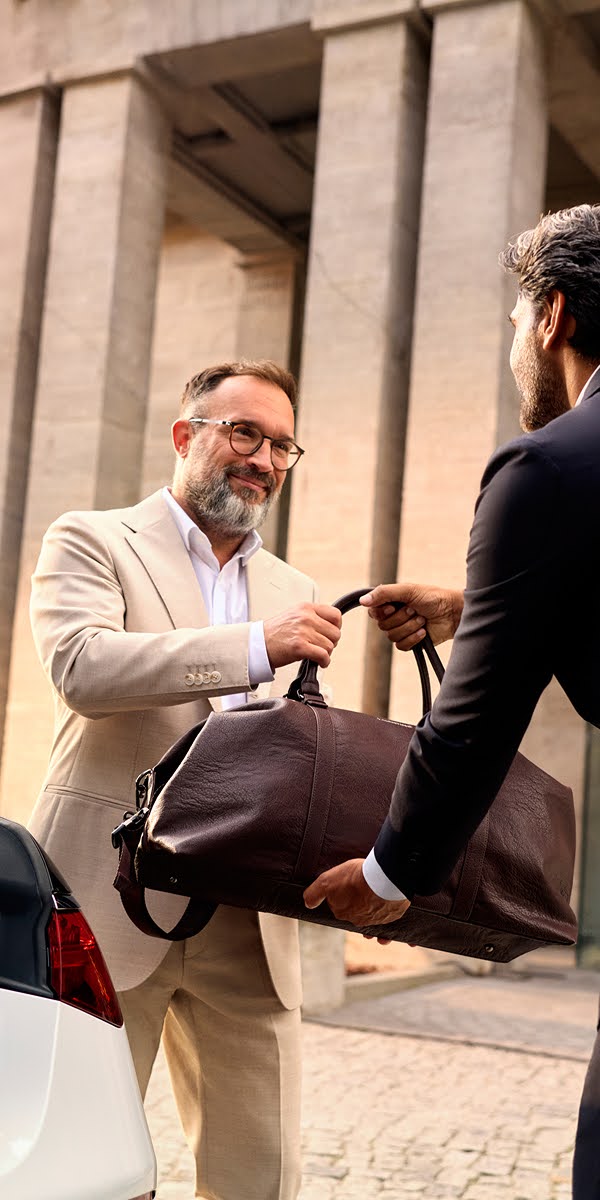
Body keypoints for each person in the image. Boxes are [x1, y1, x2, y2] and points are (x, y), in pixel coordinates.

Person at [302, 204, 600, 1198]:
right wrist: (482, 604)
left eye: (514, 323)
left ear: (552, 315)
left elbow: (470, 726)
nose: (514, 346)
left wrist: (391, 875)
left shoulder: (547, 469)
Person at [28, 359, 342, 1200]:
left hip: (247, 923)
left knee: (262, 1176)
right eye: (244, 432)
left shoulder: (295, 589)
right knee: (75, 1169)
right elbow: (82, 668)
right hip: (108, 903)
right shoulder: (91, 539)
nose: (265, 459)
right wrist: (254, 645)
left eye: (282, 445)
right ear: (185, 435)